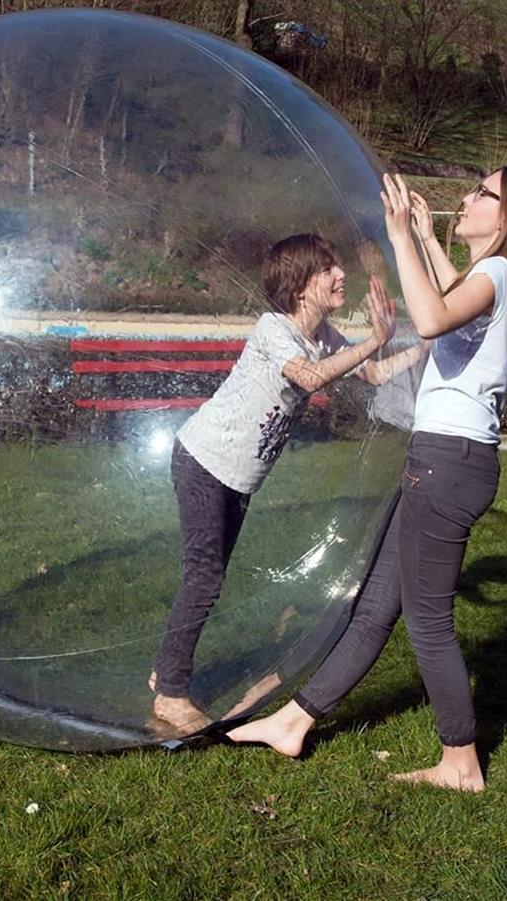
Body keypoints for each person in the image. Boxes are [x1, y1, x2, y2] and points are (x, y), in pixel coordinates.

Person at [227, 167, 507, 792]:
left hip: (448, 462)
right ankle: (294, 723)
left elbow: (432, 318)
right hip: (445, 459)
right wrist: (430, 241)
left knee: (427, 622)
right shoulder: (503, 278)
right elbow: (452, 295)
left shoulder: (500, 273)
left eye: (482, 193)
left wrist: (402, 235)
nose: (467, 198)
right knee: (377, 604)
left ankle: (460, 762)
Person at [150, 233, 413, 735]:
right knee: (204, 578)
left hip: (237, 476)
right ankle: (170, 693)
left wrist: (428, 345)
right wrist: (373, 339)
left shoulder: (323, 334)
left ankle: (168, 666)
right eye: (327, 269)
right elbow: (309, 378)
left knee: (207, 578)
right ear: (299, 284)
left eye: (338, 266)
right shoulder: (275, 328)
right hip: (205, 462)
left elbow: (376, 373)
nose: (341, 275)